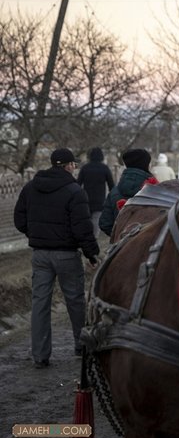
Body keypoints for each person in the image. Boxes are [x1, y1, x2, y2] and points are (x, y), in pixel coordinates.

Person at [13, 148, 100, 368]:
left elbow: (19, 218)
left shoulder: (31, 187)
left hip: (40, 255)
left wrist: (35, 234)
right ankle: (81, 346)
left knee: (40, 304)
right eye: (74, 164)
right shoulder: (74, 191)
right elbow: (82, 229)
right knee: (75, 301)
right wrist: (91, 254)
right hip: (67, 255)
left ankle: (40, 355)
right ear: (69, 166)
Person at [99, 149, 154, 237]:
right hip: (148, 246)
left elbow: (105, 224)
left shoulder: (114, 191)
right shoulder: (155, 190)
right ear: (146, 165)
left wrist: (120, 237)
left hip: (122, 247)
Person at [76, 146, 114, 238]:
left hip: (86, 199)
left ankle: (86, 238)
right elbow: (111, 185)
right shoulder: (104, 168)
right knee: (96, 222)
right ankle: (94, 239)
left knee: (86, 221)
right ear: (101, 156)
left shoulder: (85, 168)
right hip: (99, 200)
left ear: (90, 156)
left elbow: (78, 184)